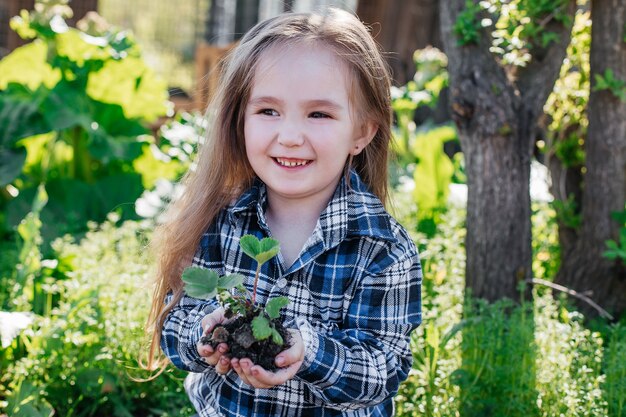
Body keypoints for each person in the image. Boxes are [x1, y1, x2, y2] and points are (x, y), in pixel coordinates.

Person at [146, 7, 422, 417]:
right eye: (268, 111)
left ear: (362, 132)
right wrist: (204, 334)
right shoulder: (220, 220)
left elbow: (384, 369)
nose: (290, 137)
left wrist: (309, 353)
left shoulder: (380, 248)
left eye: (319, 114)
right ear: (239, 120)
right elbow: (174, 322)